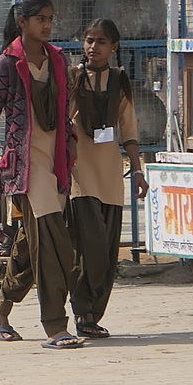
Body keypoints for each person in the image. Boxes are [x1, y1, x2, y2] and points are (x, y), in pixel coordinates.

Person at [0, 0, 82, 350]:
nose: (46, 25)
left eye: (50, 18)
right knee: (54, 242)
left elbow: (63, 110)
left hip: (56, 162)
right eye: (40, 18)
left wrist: (71, 139)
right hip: (26, 168)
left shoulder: (58, 59)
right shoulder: (7, 64)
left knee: (31, 245)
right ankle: (56, 326)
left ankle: (0, 309)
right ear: (23, 22)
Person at [66, 19, 148, 339]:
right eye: (89, 40)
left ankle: (91, 314)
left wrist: (138, 170)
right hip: (78, 175)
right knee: (89, 247)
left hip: (110, 177)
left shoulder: (120, 81)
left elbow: (128, 130)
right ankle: (82, 311)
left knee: (107, 252)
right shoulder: (72, 78)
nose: (93, 47)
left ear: (114, 46)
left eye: (101, 41)